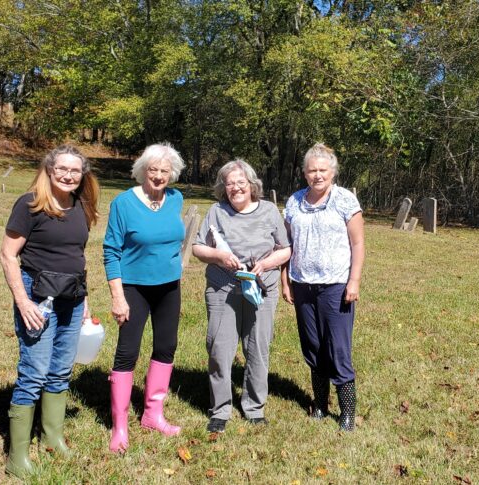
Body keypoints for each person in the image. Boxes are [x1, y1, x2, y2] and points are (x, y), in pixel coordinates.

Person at [0, 145, 99, 476]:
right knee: (34, 372)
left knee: (60, 371)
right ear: (49, 169)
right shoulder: (29, 205)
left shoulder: (81, 205)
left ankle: (53, 439)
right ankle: (18, 457)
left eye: (75, 170)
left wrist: (85, 299)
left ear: (82, 174)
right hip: (37, 296)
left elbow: (77, 256)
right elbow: (8, 255)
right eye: (62, 169)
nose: (69, 175)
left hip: (72, 296)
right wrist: (22, 301)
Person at [192, 160, 291, 433]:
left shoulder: (270, 211)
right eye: (229, 183)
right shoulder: (216, 211)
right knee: (219, 349)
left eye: (240, 182)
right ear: (223, 188)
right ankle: (220, 410)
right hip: (223, 288)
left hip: (261, 288)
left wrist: (268, 263)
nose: (235, 187)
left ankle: (254, 407)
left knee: (258, 348)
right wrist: (219, 256)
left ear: (251, 185)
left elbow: (286, 249)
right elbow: (198, 248)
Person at [103, 143, 186, 453]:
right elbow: (111, 251)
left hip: (169, 287)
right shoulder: (124, 203)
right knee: (127, 352)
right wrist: (117, 296)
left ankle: (153, 414)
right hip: (134, 288)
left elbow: (175, 242)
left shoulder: (176, 199)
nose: (159, 176)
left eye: (165, 171)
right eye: (153, 169)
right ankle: (120, 426)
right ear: (142, 171)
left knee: (166, 347)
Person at [280, 143, 365, 432]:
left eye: (322, 170)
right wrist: (285, 279)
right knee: (313, 346)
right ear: (304, 173)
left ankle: (348, 413)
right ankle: (320, 403)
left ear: (333, 172)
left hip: (336, 285)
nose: (317, 175)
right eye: (312, 170)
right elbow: (287, 245)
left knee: (337, 348)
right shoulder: (294, 202)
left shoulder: (344, 201)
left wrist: (354, 280)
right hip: (303, 284)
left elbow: (358, 243)